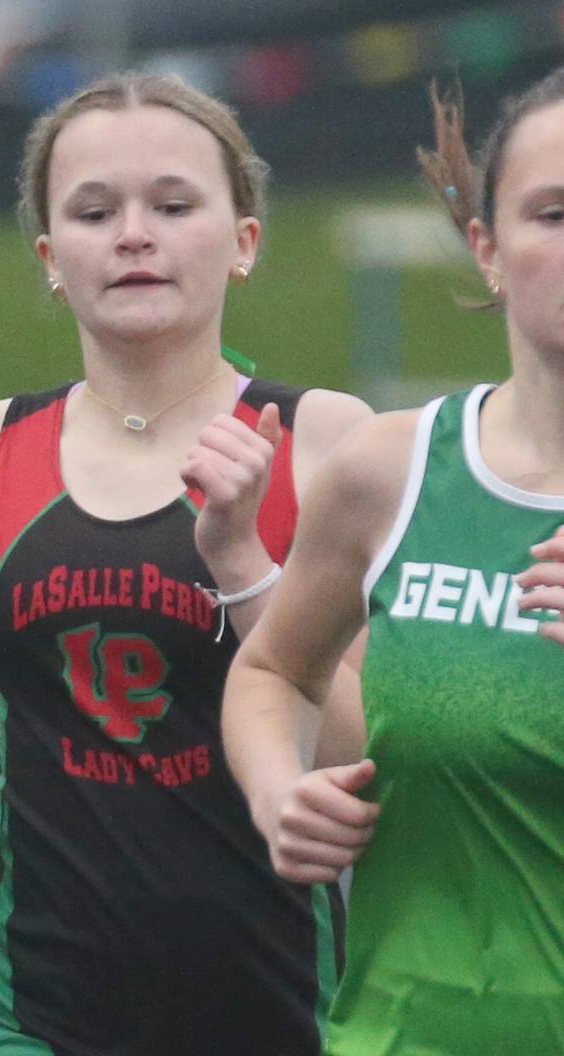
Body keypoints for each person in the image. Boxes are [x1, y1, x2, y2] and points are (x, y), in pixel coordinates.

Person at [0, 73, 371, 1056]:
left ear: (242, 241)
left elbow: (360, 757)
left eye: (171, 204)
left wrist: (242, 559)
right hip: (27, 1012)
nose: (133, 233)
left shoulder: (329, 446)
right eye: (92, 210)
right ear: (49, 256)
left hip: (282, 1008)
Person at [222, 66, 564, 1056]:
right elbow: (274, 670)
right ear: (486, 251)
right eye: (551, 212)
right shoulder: (389, 470)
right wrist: (275, 791)